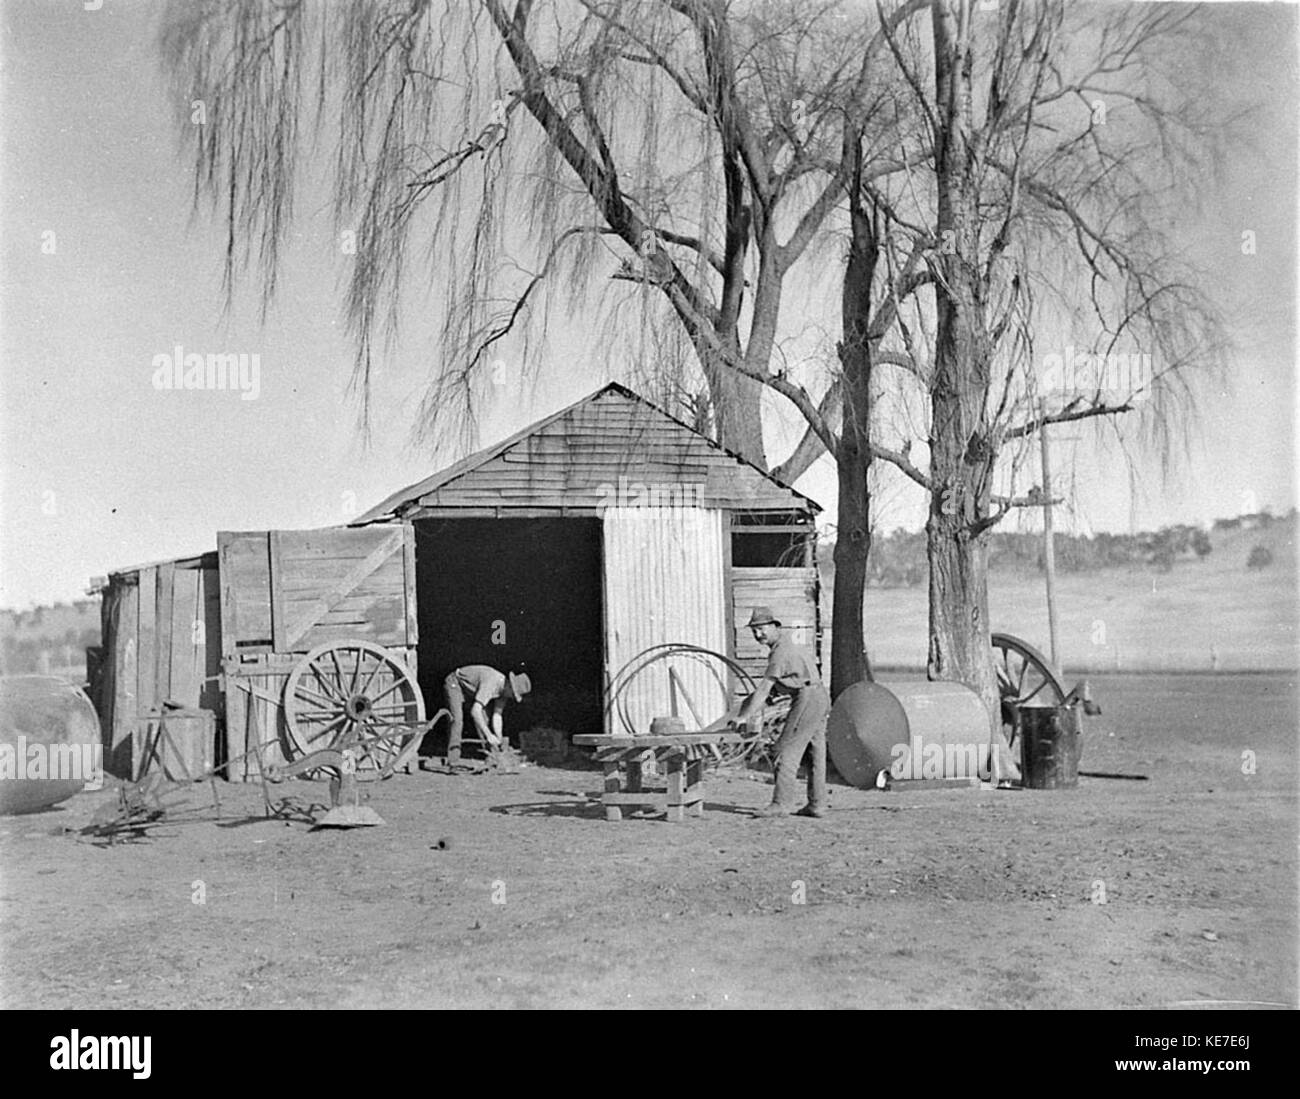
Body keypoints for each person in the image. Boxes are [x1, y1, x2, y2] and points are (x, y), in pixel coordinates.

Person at [735, 607, 829, 818]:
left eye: (762, 629)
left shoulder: (779, 654)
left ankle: (781, 804)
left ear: (774, 627)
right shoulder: (787, 645)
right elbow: (788, 681)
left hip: (808, 699)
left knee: (784, 750)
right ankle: (818, 804)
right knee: (816, 752)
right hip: (819, 695)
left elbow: (762, 691)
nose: (758, 635)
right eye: (754, 631)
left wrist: (742, 717)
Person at [436, 665, 531, 765]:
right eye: (513, 694)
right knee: (457, 720)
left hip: (472, 690)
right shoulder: (491, 683)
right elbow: (475, 711)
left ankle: (492, 756)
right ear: (510, 686)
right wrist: (489, 735)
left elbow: (497, 715)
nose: (512, 697)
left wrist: (499, 738)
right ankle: (453, 760)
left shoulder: (504, 691)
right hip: (456, 683)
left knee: (484, 719)